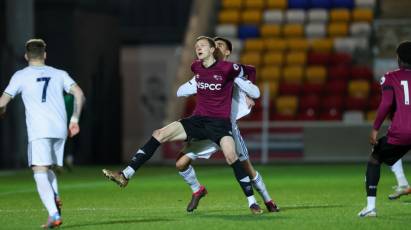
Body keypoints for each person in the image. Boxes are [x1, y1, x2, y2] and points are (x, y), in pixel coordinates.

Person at [103, 36, 264, 214]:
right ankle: (125, 174)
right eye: (196, 46)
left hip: (219, 124)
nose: (198, 48)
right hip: (198, 120)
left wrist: (248, 92)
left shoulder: (228, 68)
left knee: (231, 157)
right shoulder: (196, 67)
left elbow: (250, 71)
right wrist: (188, 89)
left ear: (212, 50)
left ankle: (252, 202)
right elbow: (187, 88)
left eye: (202, 45)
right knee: (159, 134)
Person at [174, 37, 279, 213]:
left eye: (220, 45)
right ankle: (197, 190)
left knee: (247, 168)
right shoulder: (205, 72)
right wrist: (198, 86)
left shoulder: (233, 72)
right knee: (181, 163)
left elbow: (252, 78)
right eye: (214, 45)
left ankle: (268, 201)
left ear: (227, 52)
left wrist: (249, 93)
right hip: (208, 129)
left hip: (227, 130)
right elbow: (181, 91)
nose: (216, 48)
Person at [0, 39, 85, 228]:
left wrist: (2, 111)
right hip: (59, 129)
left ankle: (54, 214)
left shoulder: (20, 76)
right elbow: (79, 94)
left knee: (39, 171)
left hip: (39, 130)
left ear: (26, 56)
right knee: (49, 169)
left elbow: (1, 103)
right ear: (45, 55)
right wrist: (74, 120)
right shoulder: (59, 74)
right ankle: (54, 202)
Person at [358, 41, 411, 217]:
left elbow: (386, 103)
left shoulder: (390, 77)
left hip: (402, 132)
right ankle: (402, 182)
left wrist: (375, 128)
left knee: (375, 158)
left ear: (399, 58)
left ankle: (371, 207)